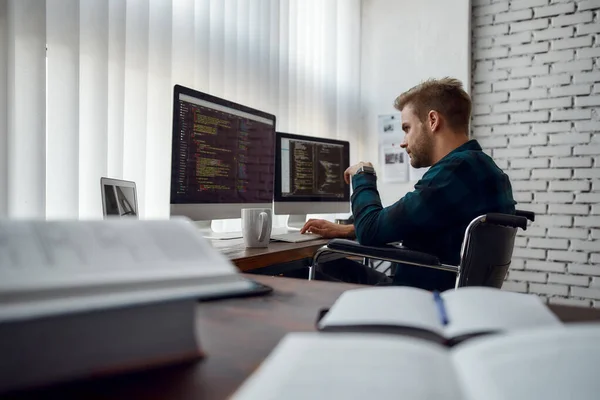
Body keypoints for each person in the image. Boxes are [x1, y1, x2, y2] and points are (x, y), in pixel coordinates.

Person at [300, 77, 516, 291]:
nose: (403, 142)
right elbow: (412, 222)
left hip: (418, 299)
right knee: (326, 264)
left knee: (305, 266)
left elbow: (370, 231)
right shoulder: (484, 169)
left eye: (406, 128)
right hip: (449, 295)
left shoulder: (455, 171)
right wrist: (348, 230)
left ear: (433, 120)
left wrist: (363, 174)